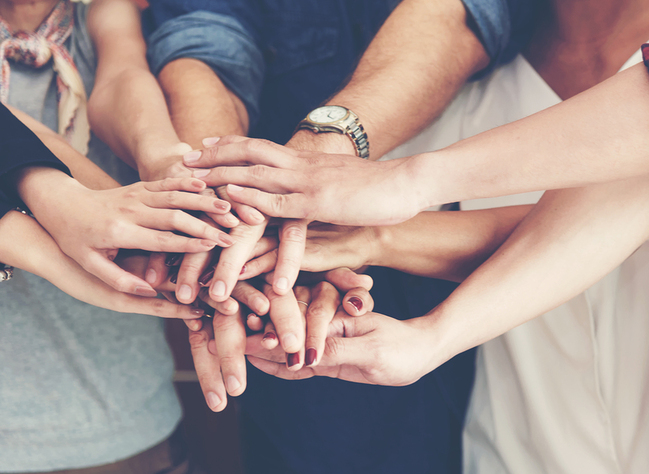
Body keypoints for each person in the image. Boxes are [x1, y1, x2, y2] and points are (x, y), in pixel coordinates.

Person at [208, 1, 649, 472]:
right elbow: (618, 193)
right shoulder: (478, 67)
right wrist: (307, 260)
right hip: (513, 450)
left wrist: (388, 217)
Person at [143, 0, 538, 472]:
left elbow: (458, 17)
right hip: (292, 291)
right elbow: (204, 42)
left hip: (490, 265)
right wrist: (226, 208)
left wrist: (301, 171)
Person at [0, 0, 234, 471]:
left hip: (127, 428)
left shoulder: (103, 18)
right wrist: (69, 205)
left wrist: (168, 163)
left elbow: (122, 78)